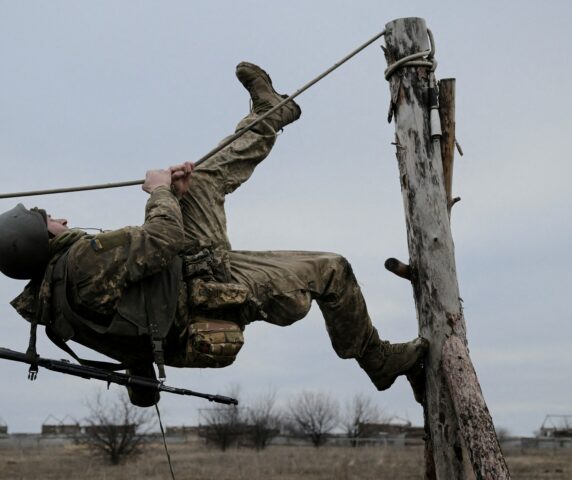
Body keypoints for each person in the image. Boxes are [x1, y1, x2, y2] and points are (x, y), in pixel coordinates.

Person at [0, 63, 427, 406]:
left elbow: (127, 334)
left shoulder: (54, 304)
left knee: (201, 179)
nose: (59, 217)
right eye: (48, 219)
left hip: (187, 280)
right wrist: (161, 189)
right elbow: (164, 237)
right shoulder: (82, 261)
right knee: (332, 271)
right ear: (37, 239)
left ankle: (270, 113)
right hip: (207, 288)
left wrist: (141, 375)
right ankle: (379, 362)